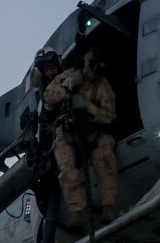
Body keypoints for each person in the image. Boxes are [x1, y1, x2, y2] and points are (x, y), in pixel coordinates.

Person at [43, 45, 117, 229]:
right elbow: (48, 96)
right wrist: (67, 89)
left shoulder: (103, 86)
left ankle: (108, 208)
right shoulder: (68, 75)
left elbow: (109, 116)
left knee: (105, 155)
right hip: (67, 132)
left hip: (93, 131)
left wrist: (90, 108)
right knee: (66, 167)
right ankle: (78, 211)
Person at [31, 49, 63, 243]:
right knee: (54, 201)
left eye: (53, 67)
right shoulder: (48, 100)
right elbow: (44, 133)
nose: (52, 72)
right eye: (48, 69)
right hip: (52, 163)